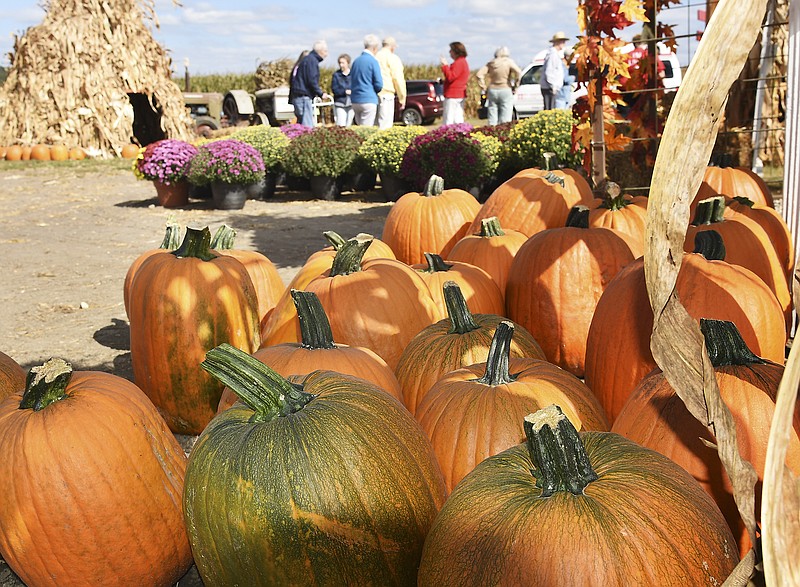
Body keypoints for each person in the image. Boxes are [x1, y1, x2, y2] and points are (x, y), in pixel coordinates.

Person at [476, 46, 521, 125]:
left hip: (492, 89)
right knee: (506, 114)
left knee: (492, 113)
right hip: (505, 88)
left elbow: (479, 74)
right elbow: (518, 72)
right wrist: (516, 85)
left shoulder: (491, 63)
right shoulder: (509, 62)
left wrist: (484, 87)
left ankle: (492, 131)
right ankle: (503, 131)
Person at [290, 41, 331, 127]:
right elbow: (312, 80)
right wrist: (320, 93)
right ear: (320, 51)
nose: (327, 54)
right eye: (325, 51)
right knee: (307, 126)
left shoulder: (306, 60)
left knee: (301, 126)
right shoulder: (312, 61)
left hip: (297, 96)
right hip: (304, 97)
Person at [349, 34, 383, 126]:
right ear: (375, 48)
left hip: (355, 99)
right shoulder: (373, 61)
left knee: (359, 127)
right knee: (366, 128)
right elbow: (379, 84)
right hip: (368, 98)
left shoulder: (356, 61)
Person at [375, 36, 407, 130]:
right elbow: (398, 78)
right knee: (385, 126)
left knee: (375, 125)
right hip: (387, 93)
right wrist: (402, 98)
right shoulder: (393, 58)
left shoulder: (375, 56)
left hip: (374, 94)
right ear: (392, 46)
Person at [440, 41, 470, 125]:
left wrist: (445, 66)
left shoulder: (459, 63)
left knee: (449, 119)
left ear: (456, 51)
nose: (449, 52)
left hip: (453, 95)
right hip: (458, 94)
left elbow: (450, 77)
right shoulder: (462, 62)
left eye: (451, 50)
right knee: (457, 119)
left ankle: (448, 135)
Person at [540, 32, 569, 110]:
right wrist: (553, 86)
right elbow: (549, 72)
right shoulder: (552, 55)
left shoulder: (554, 54)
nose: (564, 43)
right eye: (562, 41)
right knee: (550, 109)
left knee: (551, 108)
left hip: (551, 87)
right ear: (558, 42)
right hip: (550, 88)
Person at [331, 53, 354, 127]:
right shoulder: (336, 75)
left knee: (349, 124)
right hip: (340, 102)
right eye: (340, 63)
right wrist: (345, 92)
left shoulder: (353, 74)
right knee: (341, 124)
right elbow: (334, 89)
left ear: (348, 63)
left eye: (343, 63)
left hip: (352, 102)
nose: (341, 65)